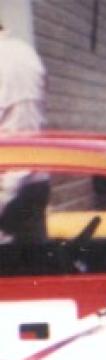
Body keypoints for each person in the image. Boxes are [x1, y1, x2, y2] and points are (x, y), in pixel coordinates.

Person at [0, 17, 48, 244]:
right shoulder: (25, 53)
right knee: (34, 257)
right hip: (33, 178)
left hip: (7, 186)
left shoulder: (6, 59)